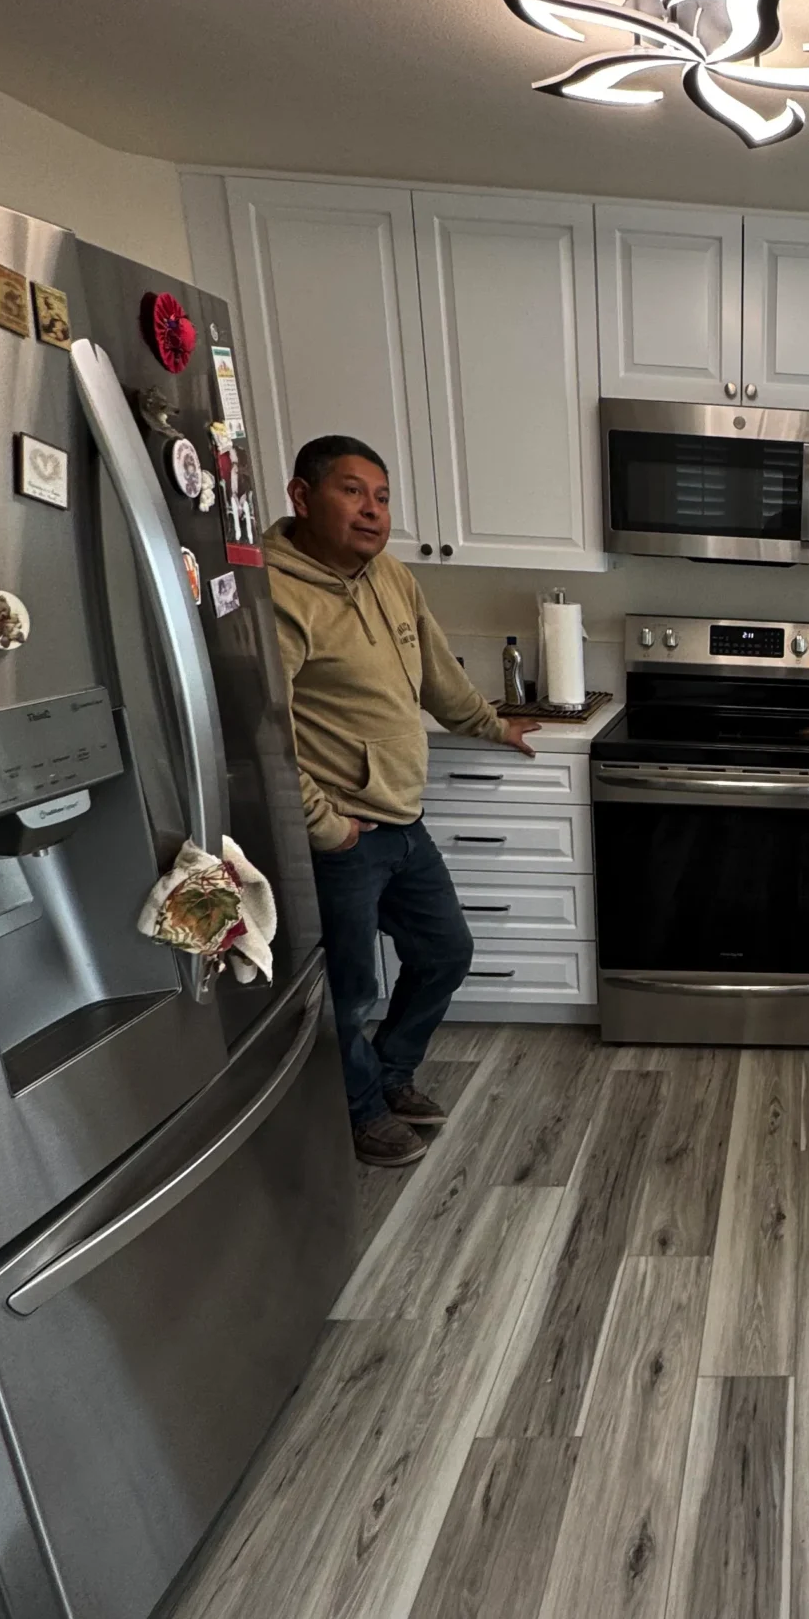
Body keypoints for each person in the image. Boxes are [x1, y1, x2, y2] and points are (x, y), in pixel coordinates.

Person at [265, 434, 534, 1168]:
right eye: (352, 492)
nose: (372, 512)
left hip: (402, 820)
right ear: (302, 497)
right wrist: (328, 827)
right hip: (346, 833)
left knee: (445, 952)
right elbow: (264, 729)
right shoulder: (276, 595)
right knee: (349, 991)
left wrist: (490, 724)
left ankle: (386, 1077)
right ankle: (357, 1111)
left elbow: (436, 672)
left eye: (381, 498)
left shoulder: (389, 577)